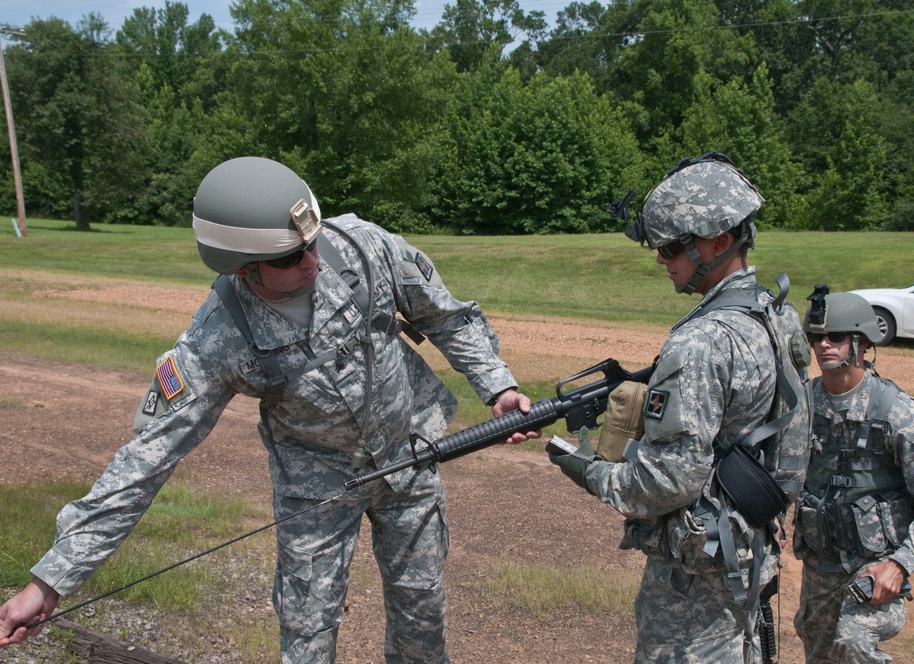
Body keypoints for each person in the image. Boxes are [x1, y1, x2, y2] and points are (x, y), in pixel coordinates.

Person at [0, 156, 537, 663]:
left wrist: (498, 388)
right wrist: (50, 582)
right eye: (288, 257)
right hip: (317, 491)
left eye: (310, 241)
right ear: (242, 269)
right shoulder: (219, 339)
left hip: (411, 456)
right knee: (307, 631)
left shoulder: (362, 248)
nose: (312, 260)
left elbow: (448, 317)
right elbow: (145, 461)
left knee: (422, 616)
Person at [550, 151, 811, 663]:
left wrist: (590, 471)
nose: (661, 259)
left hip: (699, 578)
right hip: (749, 546)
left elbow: (667, 481)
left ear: (718, 241)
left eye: (671, 247)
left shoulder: (701, 342)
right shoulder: (776, 313)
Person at [793, 289, 914, 663]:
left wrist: (899, 564)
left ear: (862, 342)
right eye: (816, 337)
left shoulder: (894, 413)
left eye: (835, 337)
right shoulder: (802, 403)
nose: (823, 346)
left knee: (853, 643)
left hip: (874, 569)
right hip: (820, 566)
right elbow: (783, 475)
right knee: (819, 651)